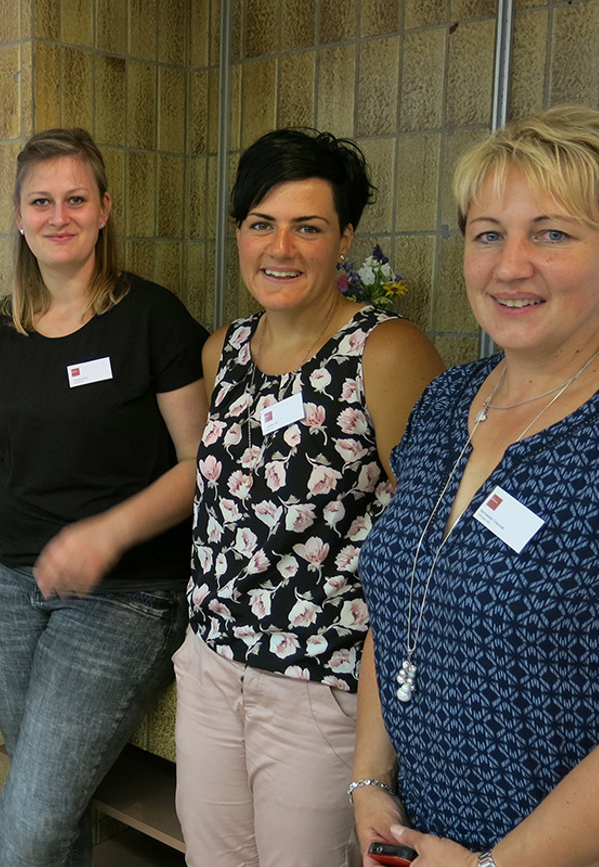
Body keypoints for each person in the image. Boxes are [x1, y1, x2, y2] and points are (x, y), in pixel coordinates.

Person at [352, 106, 599, 867]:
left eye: (551, 233)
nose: (510, 264)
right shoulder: (443, 405)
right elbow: (400, 608)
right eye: (488, 232)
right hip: (430, 843)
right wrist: (368, 776)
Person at [0, 127, 209, 865]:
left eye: (76, 198)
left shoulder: (153, 318)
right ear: (18, 216)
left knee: (30, 824)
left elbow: (199, 461)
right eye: (41, 201)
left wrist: (107, 533)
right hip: (14, 584)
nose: (59, 215)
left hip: (126, 593)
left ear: (105, 208)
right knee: (52, 805)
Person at [175, 128, 443, 867]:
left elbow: (429, 536)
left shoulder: (385, 351)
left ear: (345, 238)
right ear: (239, 232)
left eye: (309, 226)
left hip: (319, 685)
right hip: (210, 665)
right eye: (262, 223)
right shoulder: (221, 349)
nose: (281, 247)